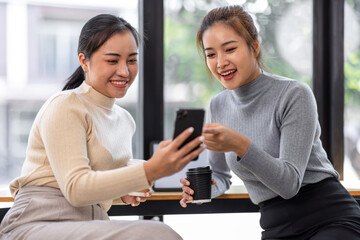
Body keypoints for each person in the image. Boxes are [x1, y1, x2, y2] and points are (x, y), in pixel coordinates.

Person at [0, 14, 204, 240]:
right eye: (112, 60)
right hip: (38, 223)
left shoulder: (125, 120)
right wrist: (149, 171)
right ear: (84, 61)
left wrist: (130, 188)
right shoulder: (66, 106)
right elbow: (76, 189)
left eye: (132, 60)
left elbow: (102, 179)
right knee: (158, 234)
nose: (125, 72)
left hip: (90, 222)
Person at [180, 5, 360, 240]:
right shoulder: (218, 105)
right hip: (276, 227)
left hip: (330, 218)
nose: (221, 62)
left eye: (230, 49)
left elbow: (289, 184)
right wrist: (201, 190)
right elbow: (221, 176)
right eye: (211, 54)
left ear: (254, 46)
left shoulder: (294, 94)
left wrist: (240, 145)